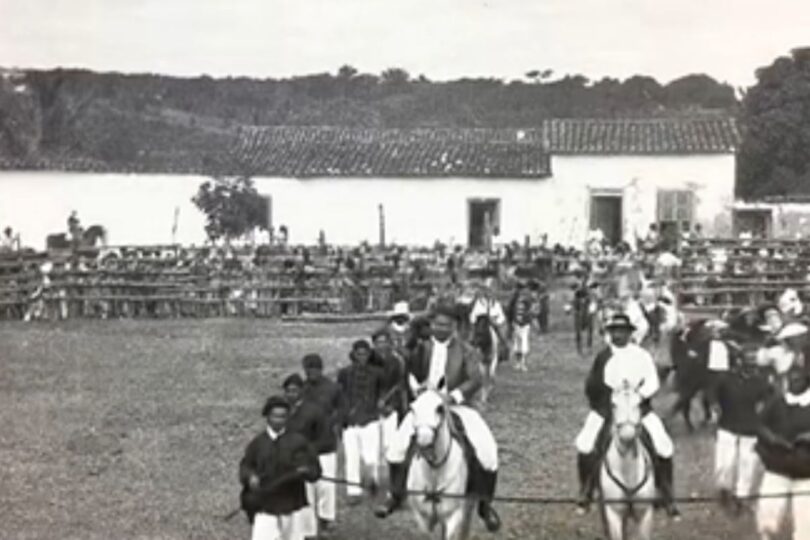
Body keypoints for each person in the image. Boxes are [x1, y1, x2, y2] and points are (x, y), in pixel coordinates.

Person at [375, 302, 502, 532]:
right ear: (431, 324)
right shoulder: (420, 348)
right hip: (424, 405)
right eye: (437, 324)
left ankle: (485, 505)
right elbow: (409, 372)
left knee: (487, 450)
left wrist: (452, 396)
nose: (441, 328)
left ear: (454, 326)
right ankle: (395, 495)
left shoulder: (466, 350)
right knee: (396, 448)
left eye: (446, 325)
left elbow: (475, 379)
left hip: (456, 405)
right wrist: (417, 389)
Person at [574, 313, 679, 518]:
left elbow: (652, 381)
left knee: (663, 445)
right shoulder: (603, 357)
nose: (618, 335)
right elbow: (592, 385)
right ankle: (586, 489)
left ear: (630, 333)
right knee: (585, 443)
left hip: (639, 408)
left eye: (622, 331)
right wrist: (606, 399)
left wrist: (639, 396)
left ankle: (666, 493)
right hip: (607, 409)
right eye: (614, 331)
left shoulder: (641, 356)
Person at [239, 395, 322, 540]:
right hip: (265, 504)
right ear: (267, 417)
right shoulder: (257, 444)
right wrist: (250, 477)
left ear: (288, 418)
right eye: (275, 416)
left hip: (292, 503)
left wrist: (306, 471)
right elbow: (245, 466)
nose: (279, 420)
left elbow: (315, 471)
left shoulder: (299, 441)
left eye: (283, 416)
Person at [714, 346, 772, 515]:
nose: (751, 363)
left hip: (750, 428)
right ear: (739, 360)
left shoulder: (761, 382)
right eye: (748, 359)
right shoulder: (726, 379)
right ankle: (724, 491)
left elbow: (770, 400)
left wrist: (763, 418)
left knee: (748, 463)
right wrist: (715, 409)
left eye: (754, 360)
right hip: (727, 425)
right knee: (725, 463)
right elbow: (714, 396)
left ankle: (742, 496)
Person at [755, 361, 810, 540]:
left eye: (798, 379)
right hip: (777, 466)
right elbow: (759, 424)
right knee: (768, 514)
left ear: (807, 380)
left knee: (805, 520)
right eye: (790, 378)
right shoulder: (778, 401)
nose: (793, 382)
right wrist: (773, 439)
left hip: (806, 472)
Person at [282, 374, 330, 540]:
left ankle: (309, 532)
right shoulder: (282, 412)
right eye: (288, 391)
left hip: (306, 461)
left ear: (302, 391)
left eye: (294, 391)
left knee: (306, 497)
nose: (291, 394)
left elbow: (323, 438)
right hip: (286, 461)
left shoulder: (313, 411)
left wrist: (308, 455)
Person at [337, 340, 384, 503]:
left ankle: (372, 482)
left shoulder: (378, 373)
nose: (362, 357)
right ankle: (353, 490)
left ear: (369, 354)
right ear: (354, 355)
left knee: (371, 456)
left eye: (365, 354)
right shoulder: (344, 373)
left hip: (370, 419)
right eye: (359, 354)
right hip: (350, 421)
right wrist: (342, 416)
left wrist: (379, 406)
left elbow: (382, 393)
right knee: (352, 457)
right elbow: (340, 395)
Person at [300, 354, 342, 530]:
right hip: (305, 444)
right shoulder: (301, 389)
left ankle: (326, 518)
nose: (312, 372)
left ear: (321, 369)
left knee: (327, 483)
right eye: (309, 369)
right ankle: (308, 525)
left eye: (315, 369)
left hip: (326, 443)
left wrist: (334, 424)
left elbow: (342, 409)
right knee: (307, 485)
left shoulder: (333, 388)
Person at [370, 328, 407, 457]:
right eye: (378, 342)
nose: (381, 345)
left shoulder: (397, 361)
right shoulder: (369, 360)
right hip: (371, 406)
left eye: (384, 342)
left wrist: (386, 400)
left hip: (391, 404)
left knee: (389, 443)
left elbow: (399, 383)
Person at [506, 280, 537, 372]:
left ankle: (519, 363)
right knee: (523, 341)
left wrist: (510, 321)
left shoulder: (516, 296)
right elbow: (533, 310)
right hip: (524, 322)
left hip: (517, 322)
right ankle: (522, 363)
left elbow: (509, 309)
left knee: (518, 342)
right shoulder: (529, 296)